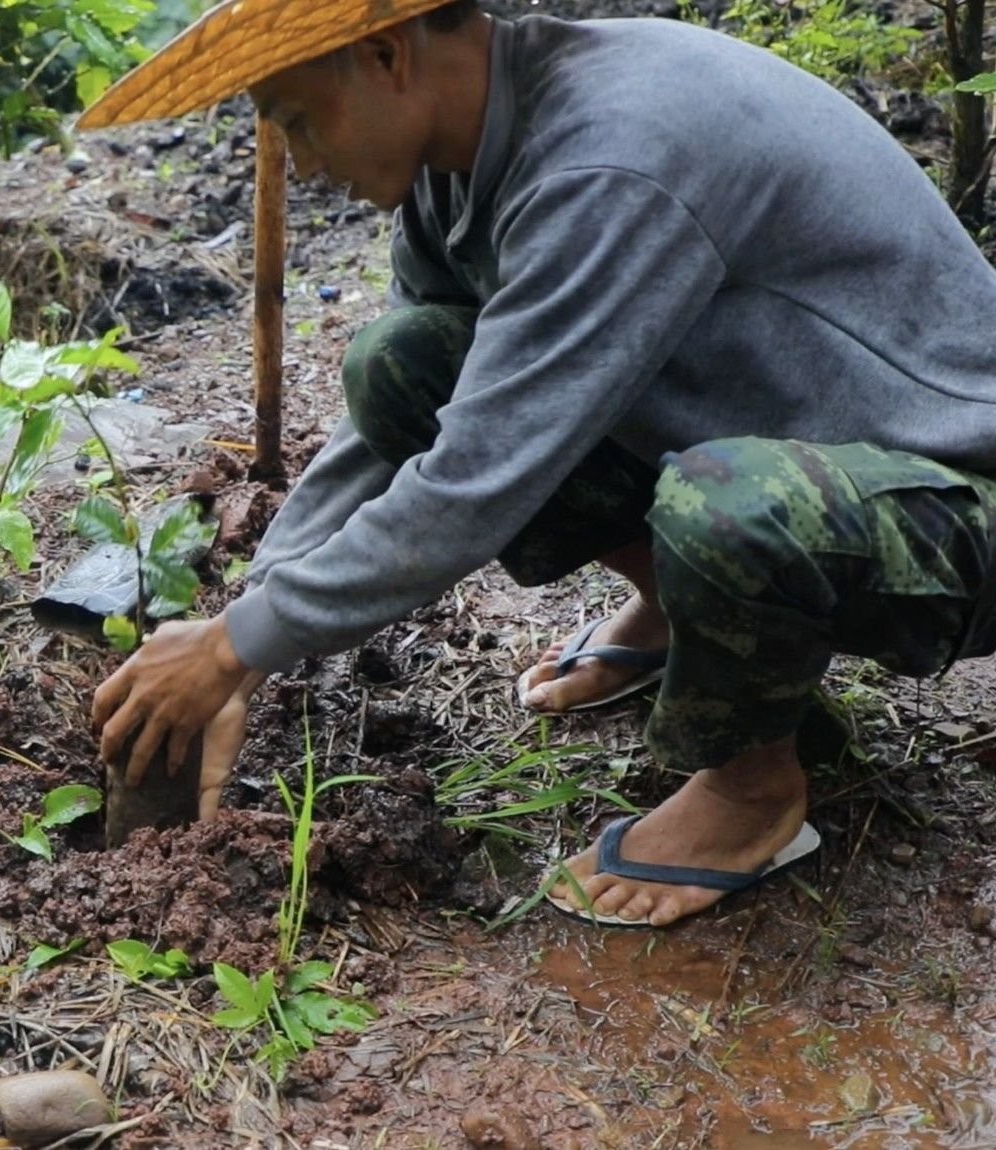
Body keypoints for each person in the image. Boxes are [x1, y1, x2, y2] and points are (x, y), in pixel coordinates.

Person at [77, 0, 996, 927]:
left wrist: (238, 642)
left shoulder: (612, 153)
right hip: (808, 447)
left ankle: (754, 790)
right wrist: (246, 638)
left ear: (388, 53)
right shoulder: (456, 170)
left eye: (301, 123)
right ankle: (691, 613)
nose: (306, 166)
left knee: (729, 506)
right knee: (401, 363)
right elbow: (414, 424)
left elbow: (478, 477)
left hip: (955, 499)